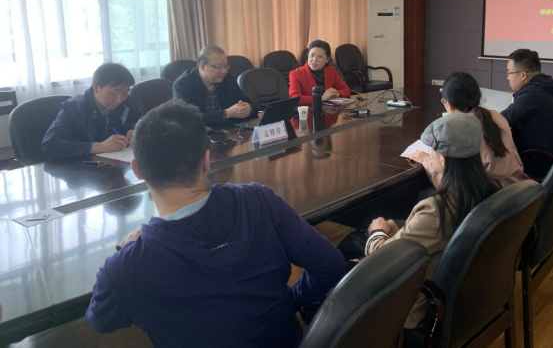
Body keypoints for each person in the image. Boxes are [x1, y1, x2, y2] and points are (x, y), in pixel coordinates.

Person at [85, 100, 345, 348]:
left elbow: (101, 321)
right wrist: (292, 299)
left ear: (137, 170)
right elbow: (330, 264)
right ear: (207, 159)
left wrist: (125, 252)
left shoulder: (125, 267)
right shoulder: (259, 200)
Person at [361, 114, 498, 330]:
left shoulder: (436, 211)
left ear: (442, 159)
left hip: (419, 308)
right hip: (472, 299)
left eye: (431, 150)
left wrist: (377, 232)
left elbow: (383, 259)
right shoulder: (490, 190)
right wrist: (403, 233)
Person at [410, 72, 527, 188]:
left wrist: (427, 161)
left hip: (493, 195)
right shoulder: (496, 116)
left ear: (449, 104)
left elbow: (456, 187)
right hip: (519, 187)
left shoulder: (461, 133)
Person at [42, 63, 141, 159]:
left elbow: (146, 129)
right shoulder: (74, 108)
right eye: (114, 93)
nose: (119, 100)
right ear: (96, 88)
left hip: (119, 164)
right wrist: (100, 147)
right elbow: (49, 146)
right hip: (81, 167)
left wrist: (138, 134)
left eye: (125, 93)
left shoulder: (128, 104)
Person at [501, 49, 553, 179]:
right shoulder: (543, 88)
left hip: (541, 164)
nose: (507, 77)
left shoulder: (532, 95)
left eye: (509, 73)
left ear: (523, 75)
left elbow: (500, 120)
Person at [173, 45, 255, 126]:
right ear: (202, 66)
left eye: (226, 66)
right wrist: (226, 113)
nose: (224, 71)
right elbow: (188, 119)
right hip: (199, 132)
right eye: (218, 67)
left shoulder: (227, 79)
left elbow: (250, 104)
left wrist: (247, 108)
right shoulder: (182, 85)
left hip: (228, 130)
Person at [289, 40, 351, 106]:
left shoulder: (331, 71)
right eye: (312, 55)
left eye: (320, 57)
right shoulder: (296, 74)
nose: (314, 60)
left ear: (327, 59)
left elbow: (346, 89)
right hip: (310, 110)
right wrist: (320, 98)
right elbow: (295, 98)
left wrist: (336, 94)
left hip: (329, 109)